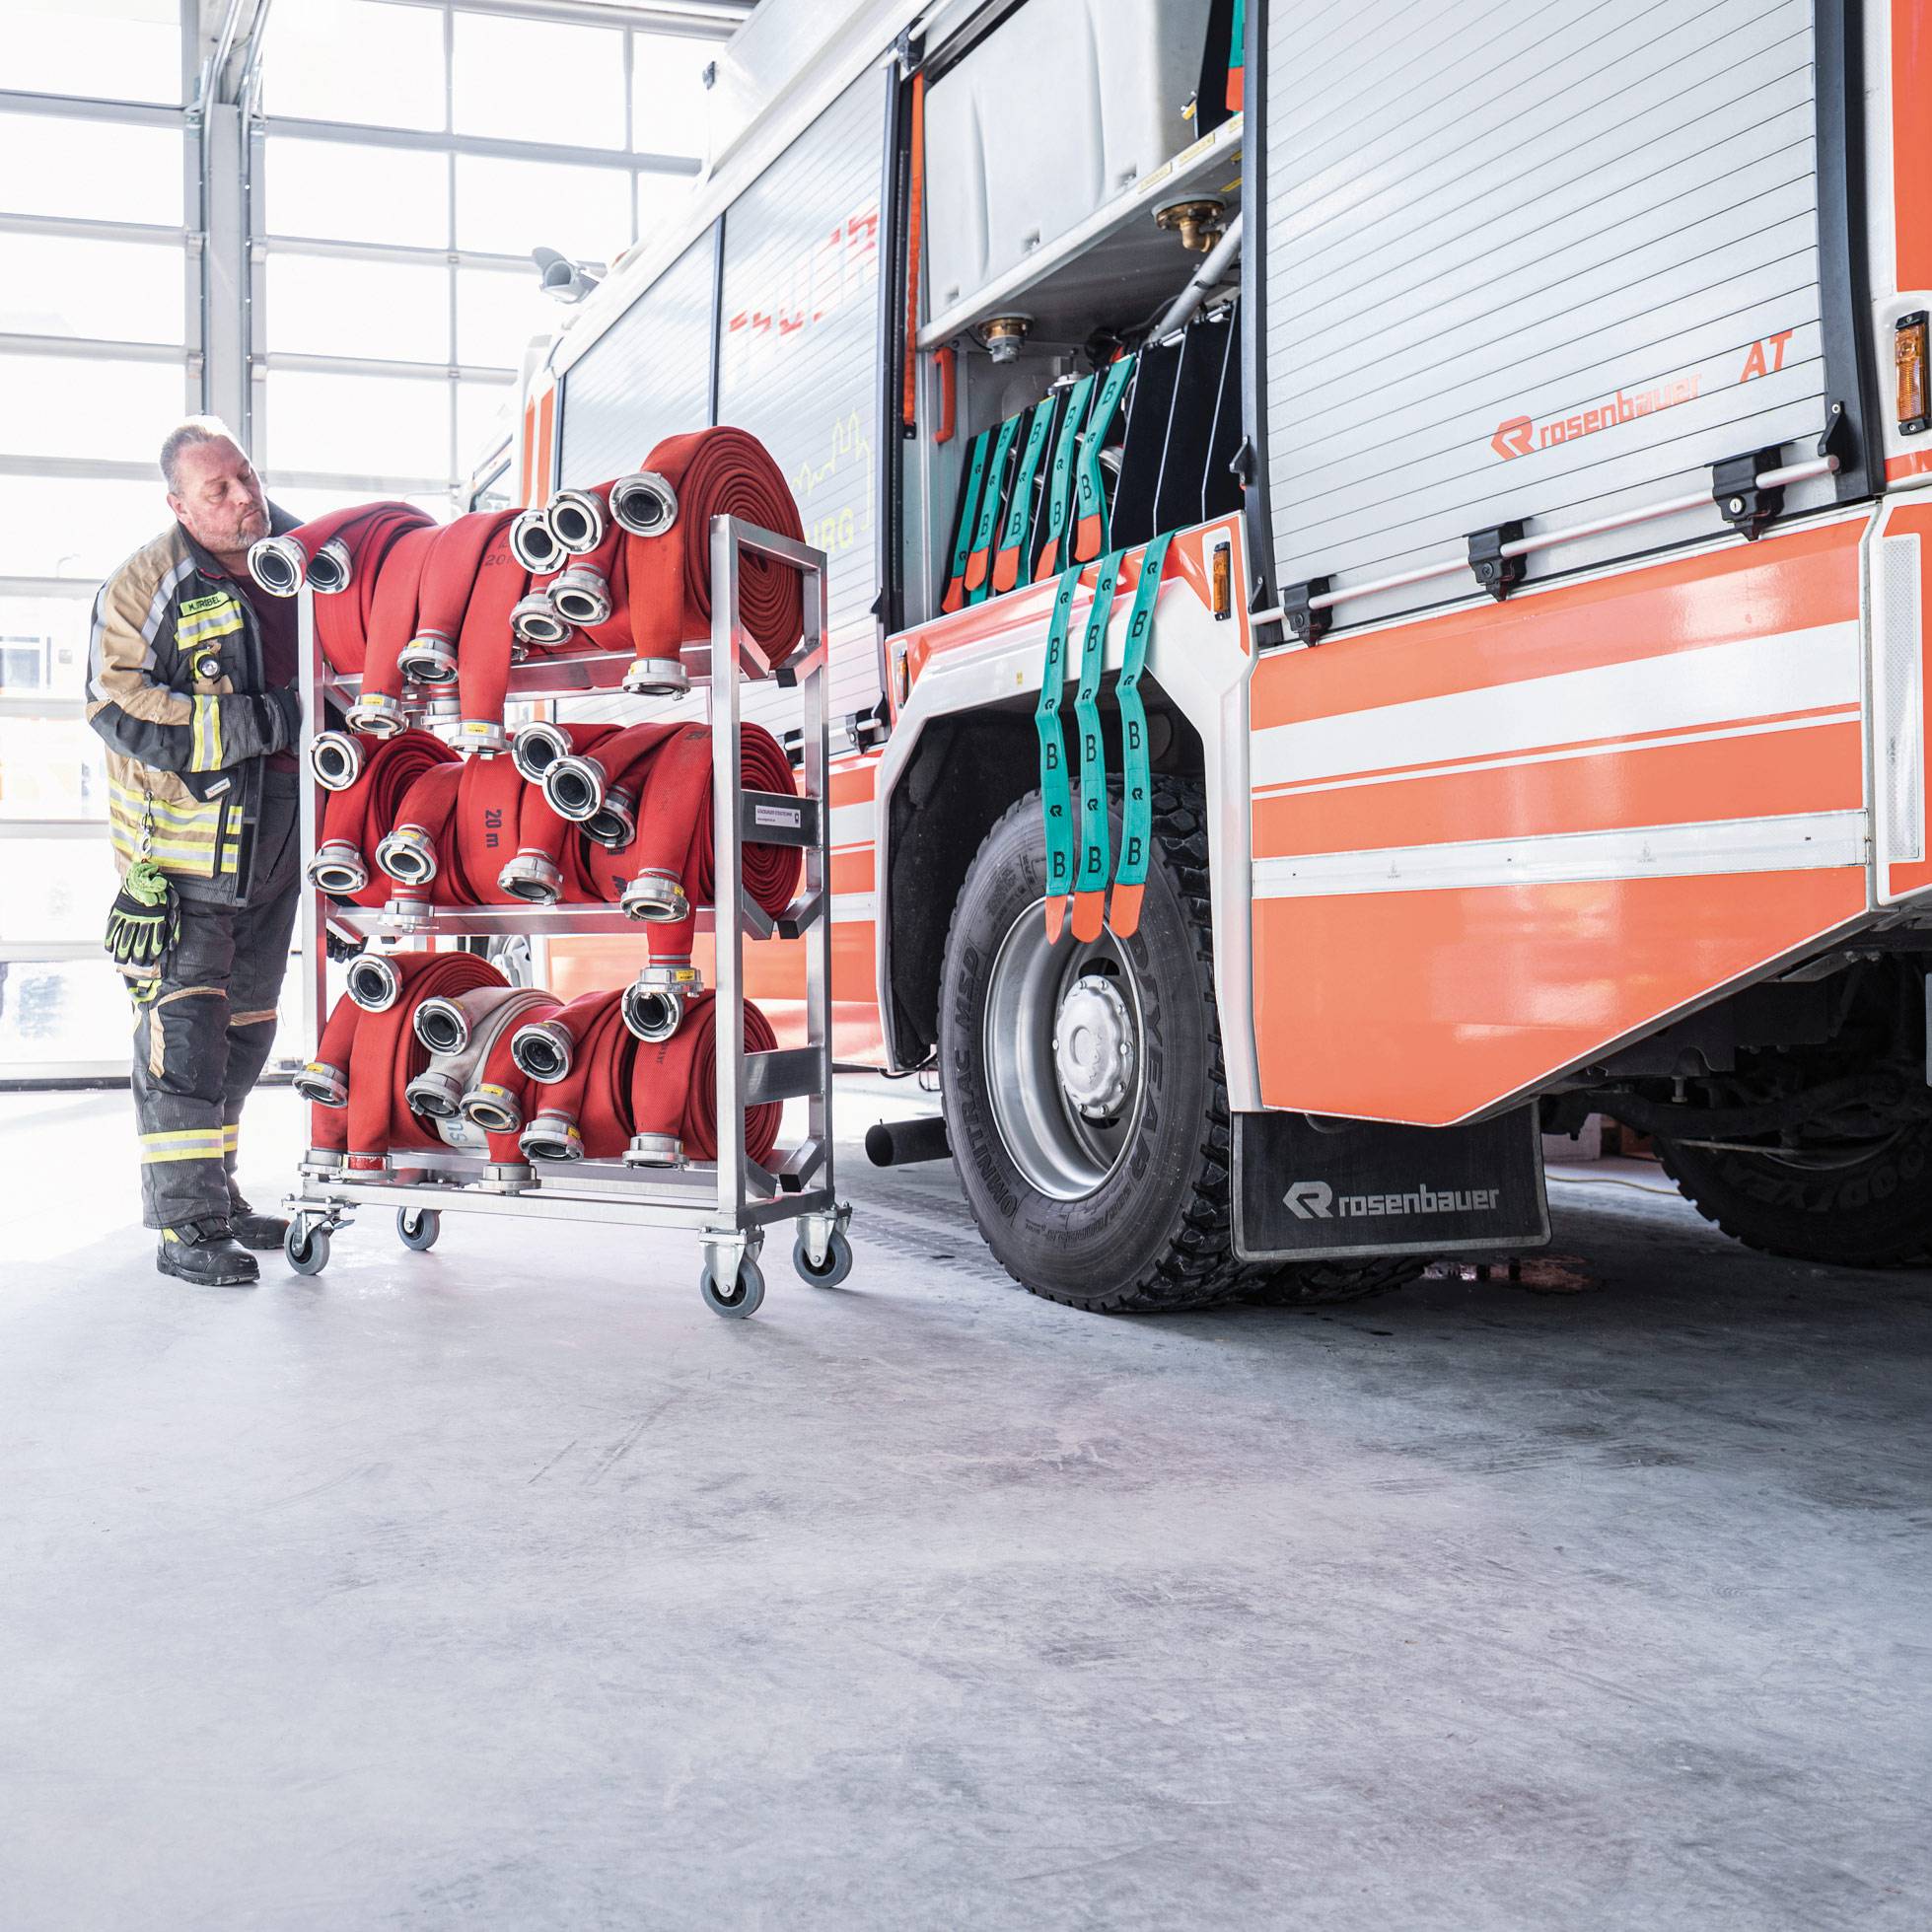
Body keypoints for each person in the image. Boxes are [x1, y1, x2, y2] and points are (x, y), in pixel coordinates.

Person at [86, 418, 307, 1285]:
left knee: (246, 1030)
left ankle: (220, 1192)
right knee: (183, 1035)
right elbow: (118, 705)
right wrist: (266, 721)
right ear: (179, 504)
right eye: (219, 489)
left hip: (280, 845)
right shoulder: (147, 582)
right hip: (185, 859)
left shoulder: (305, 557)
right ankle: (185, 1226)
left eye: (247, 476)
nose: (246, 496)